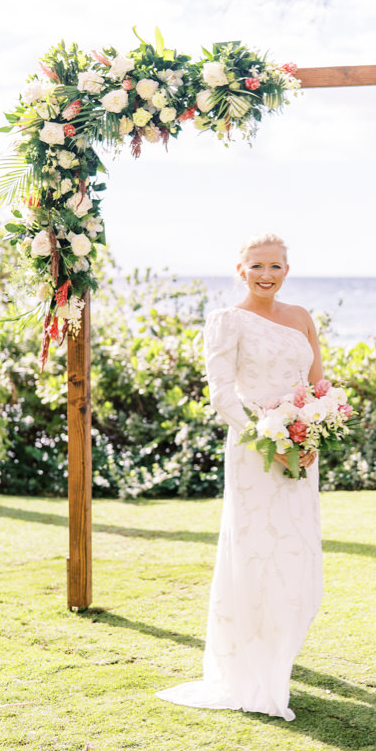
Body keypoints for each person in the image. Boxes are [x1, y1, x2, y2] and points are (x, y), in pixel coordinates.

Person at [156, 232, 323, 722]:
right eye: (256, 266)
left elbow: (316, 386)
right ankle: (250, 668)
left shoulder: (302, 318)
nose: (266, 275)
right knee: (255, 552)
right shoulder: (226, 321)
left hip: (301, 451)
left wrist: (307, 435)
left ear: (286, 270)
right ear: (240, 270)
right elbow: (222, 395)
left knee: (296, 551)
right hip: (254, 450)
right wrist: (268, 437)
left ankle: (282, 658)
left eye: (274, 266)